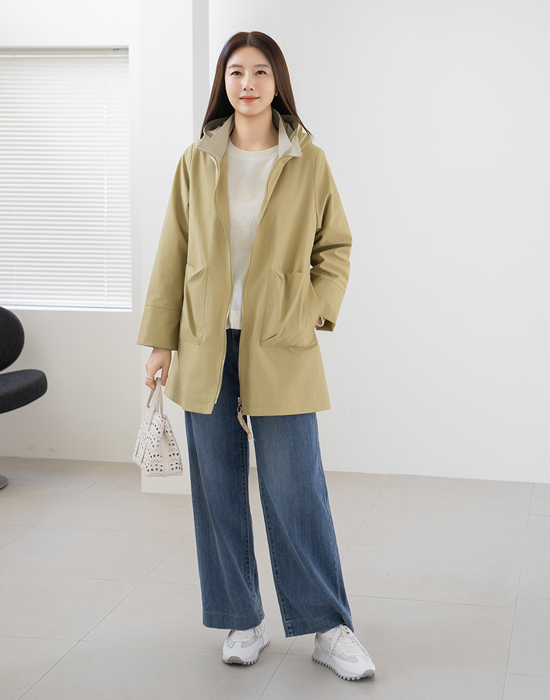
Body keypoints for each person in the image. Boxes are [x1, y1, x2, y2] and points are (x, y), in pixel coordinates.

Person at [136, 31, 375, 681]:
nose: (248, 83)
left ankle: (329, 627)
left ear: (277, 82)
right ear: (224, 83)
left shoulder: (307, 160)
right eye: (236, 71)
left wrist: (312, 308)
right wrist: (160, 341)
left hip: (281, 342)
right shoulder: (197, 160)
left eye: (260, 71)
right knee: (217, 489)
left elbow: (336, 246)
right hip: (205, 341)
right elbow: (172, 253)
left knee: (296, 489)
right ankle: (241, 618)